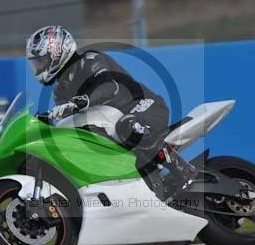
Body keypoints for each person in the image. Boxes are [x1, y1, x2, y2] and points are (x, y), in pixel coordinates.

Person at [25, 26, 197, 191]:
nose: (38, 68)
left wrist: (83, 100)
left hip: (143, 106)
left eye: (41, 61)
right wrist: (48, 122)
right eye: (36, 63)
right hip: (109, 124)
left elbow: (108, 85)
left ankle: (183, 170)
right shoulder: (60, 90)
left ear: (57, 53)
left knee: (128, 126)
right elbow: (67, 119)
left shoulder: (90, 60)